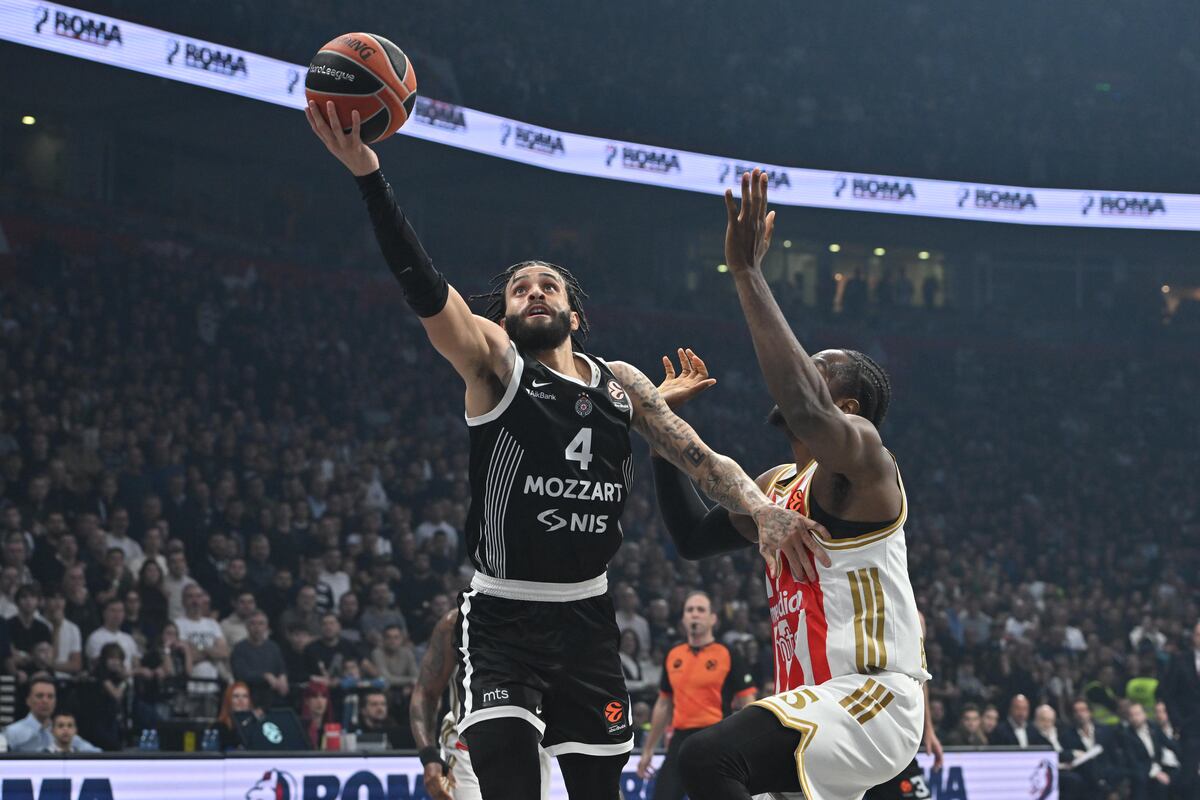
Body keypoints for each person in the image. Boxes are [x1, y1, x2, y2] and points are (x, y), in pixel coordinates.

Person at [306, 101, 811, 800]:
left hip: (587, 620)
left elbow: (704, 459)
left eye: (550, 286)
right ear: (502, 315)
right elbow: (422, 285)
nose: (534, 291)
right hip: (503, 618)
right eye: (519, 288)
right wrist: (369, 174)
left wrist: (760, 507)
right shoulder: (493, 364)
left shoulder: (623, 384)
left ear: (575, 314)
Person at [636, 171, 930, 799]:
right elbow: (689, 538)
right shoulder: (776, 487)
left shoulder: (867, 466)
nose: (799, 368)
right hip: (812, 705)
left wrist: (747, 273)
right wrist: (664, 431)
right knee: (716, 763)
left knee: (707, 758)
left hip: (872, 696)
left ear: (847, 405)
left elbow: (803, 406)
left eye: (815, 369)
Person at [410, 609, 552, 800]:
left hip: (530, 738)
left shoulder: (543, 615)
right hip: (467, 743)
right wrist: (428, 756)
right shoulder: (455, 623)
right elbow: (426, 693)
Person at [636, 591, 756, 800]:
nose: (695, 614)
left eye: (701, 610)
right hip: (680, 740)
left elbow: (747, 701)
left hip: (716, 739)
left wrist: (749, 747)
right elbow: (664, 704)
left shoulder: (727, 653)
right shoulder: (674, 654)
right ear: (683, 618)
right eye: (690, 610)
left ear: (713, 619)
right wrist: (648, 750)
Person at [3, 677, 100, 753]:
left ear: (55, 701)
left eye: (50, 696)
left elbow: (98, 754)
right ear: (28, 700)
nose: (45, 701)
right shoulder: (12, 732)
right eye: (39, 696)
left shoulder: (63, 730)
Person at [1159, 620, 1200, 800]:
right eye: (1199, 634)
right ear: (1193, 637)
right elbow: (1168, 693)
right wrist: (1178, 721)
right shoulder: (1180, 659)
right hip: (1190, 726)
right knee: (1189, 774)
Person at [231, 611, 289, 710]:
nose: (257, 627)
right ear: (247, 626)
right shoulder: (239, 648)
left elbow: (280, 668)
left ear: (267, 627)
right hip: (248, 696)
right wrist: (265, 676)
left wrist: (283, 677)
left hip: (272, 698)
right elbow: (241, 674)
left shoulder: (273, 647)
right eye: (253, 623)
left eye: (261, 623)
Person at [1120, 702, 1179, 800]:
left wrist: (1191, 761)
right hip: (1140, 772)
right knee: (1148, 785)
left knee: (1183, 777)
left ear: (1144, 714)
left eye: (1137, 714)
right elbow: (1133, 761)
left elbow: (1170, 744)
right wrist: (1155, 773)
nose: (1135, 718)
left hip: (1159, 767)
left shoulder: (1154, 727)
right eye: (1132, 715)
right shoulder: (1126, 735)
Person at [216, 681, 257, 750]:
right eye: (236, 696)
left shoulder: (257, 724)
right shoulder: (219, 726)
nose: (240, 700)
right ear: (228, 700)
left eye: (245, 696)